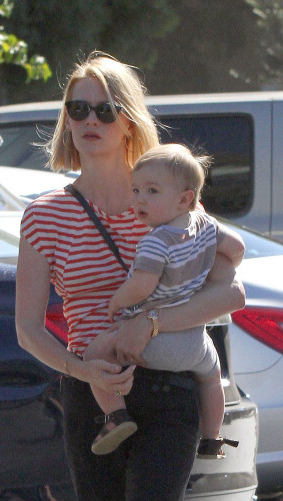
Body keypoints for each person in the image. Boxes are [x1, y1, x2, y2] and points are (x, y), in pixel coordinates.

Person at [15, 51, 246, 501]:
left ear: (128, 120)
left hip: (171, 392)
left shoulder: (169, 197)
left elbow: (229, 297)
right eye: (75, 109)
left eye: (102, 109)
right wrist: (84, 367)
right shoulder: (46, 214)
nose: (87, 122)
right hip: (92, 395)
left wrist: (148, 327)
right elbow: (29, 327)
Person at [82, 143, 245, 457]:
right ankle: (212, 437)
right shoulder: (206, 226)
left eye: (152, 191)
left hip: (154, 343)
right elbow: (237, 248)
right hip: (194, 340)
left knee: (96, 352)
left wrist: (117, 299)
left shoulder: (155, 241)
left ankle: (116, 416)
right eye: (136, 190)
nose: (140, 199)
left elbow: (143, 286)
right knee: (211, 378)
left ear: (184, 198)